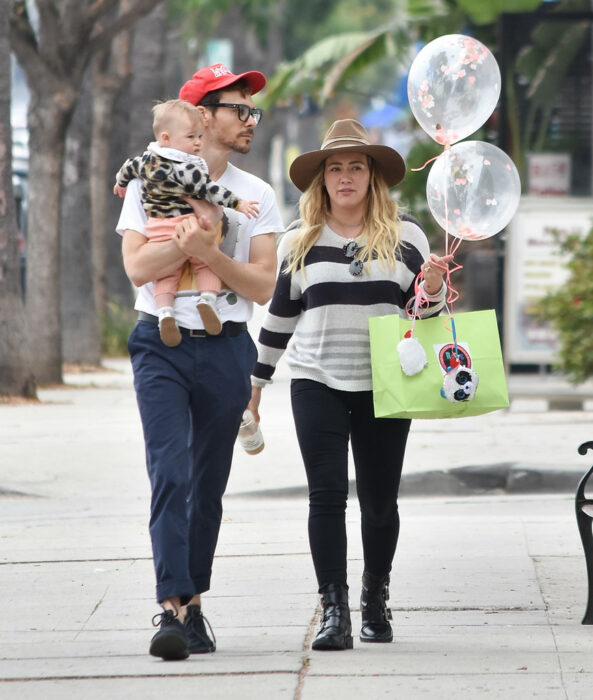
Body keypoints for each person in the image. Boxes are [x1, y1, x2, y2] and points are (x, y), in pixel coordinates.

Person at [249, 119, 450, 651]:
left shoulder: (407, 238)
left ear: (371, 177)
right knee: (327, 496)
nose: (345, 177)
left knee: (380, 502)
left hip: (386, 383)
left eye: (355, 167)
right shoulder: (300, 241)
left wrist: (431, 288)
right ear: (321, 180)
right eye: (334, 168)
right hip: (315, 379)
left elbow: (425, 318)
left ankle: (375, 596)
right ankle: (334, 609)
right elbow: (280, 317)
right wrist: (256, 383)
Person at [115, 63, 284, 660]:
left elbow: (263, 286)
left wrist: (210, 252)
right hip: (159, 343)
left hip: (226, 345)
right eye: (240, 109)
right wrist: (186, 249)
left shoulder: (255, 195)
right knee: (171, 472)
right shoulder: (148, 180)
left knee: (207, 485)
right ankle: (171, 609)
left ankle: (195, 607)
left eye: (252, 111)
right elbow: (136, 268)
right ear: (201, 118)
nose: (250, 120)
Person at [114, 99, 259, 344]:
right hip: (187, 224)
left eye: (199, 136)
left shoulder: (146, 162)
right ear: (167, 138)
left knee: (166, 276)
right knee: (205, 263)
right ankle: (207, 300)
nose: (197, 143)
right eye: (192, 137)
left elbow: (127, 168)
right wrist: (238, 204)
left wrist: (120, 183)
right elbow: (211, 190)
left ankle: (165, 312)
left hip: (158, 229)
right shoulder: (187, 169)